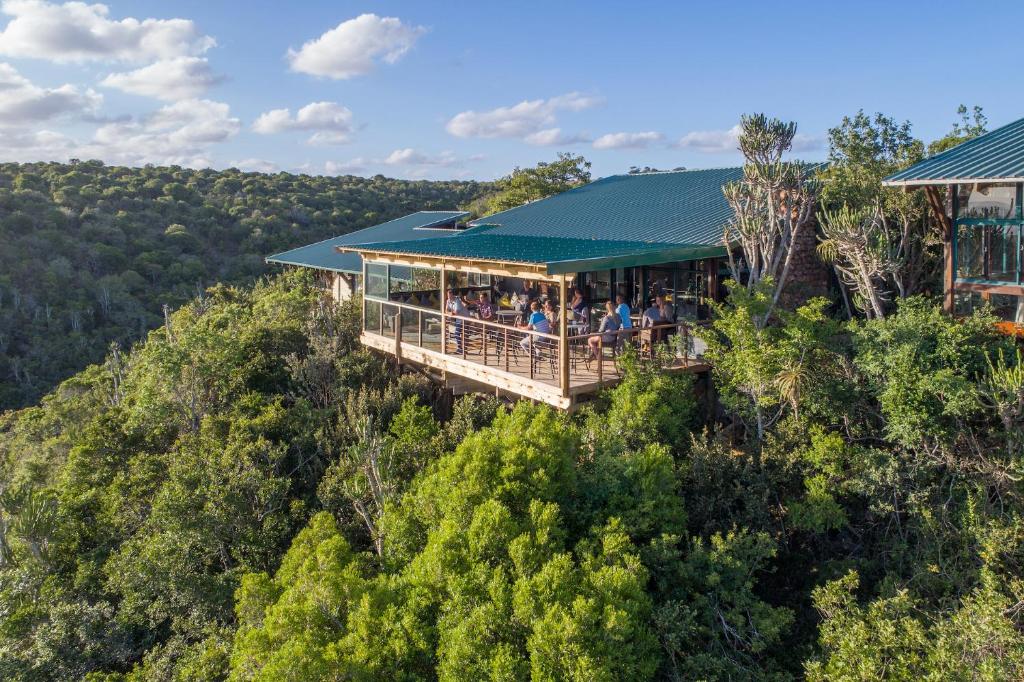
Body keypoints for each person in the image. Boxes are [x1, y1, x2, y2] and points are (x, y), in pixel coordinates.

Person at [445, 289, 469, 353]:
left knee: (463, 334)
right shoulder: (448, 301)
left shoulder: (457, 301)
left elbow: (456, 312)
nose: (449, 297)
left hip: (465, 318)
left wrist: (450, 313)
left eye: (450, 295)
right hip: (459, 319)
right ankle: (460, 349)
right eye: (448, 295)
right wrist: (450, 313)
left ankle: (463, 350)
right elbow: (446, 310)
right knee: (457, 334)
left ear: (453, 295)